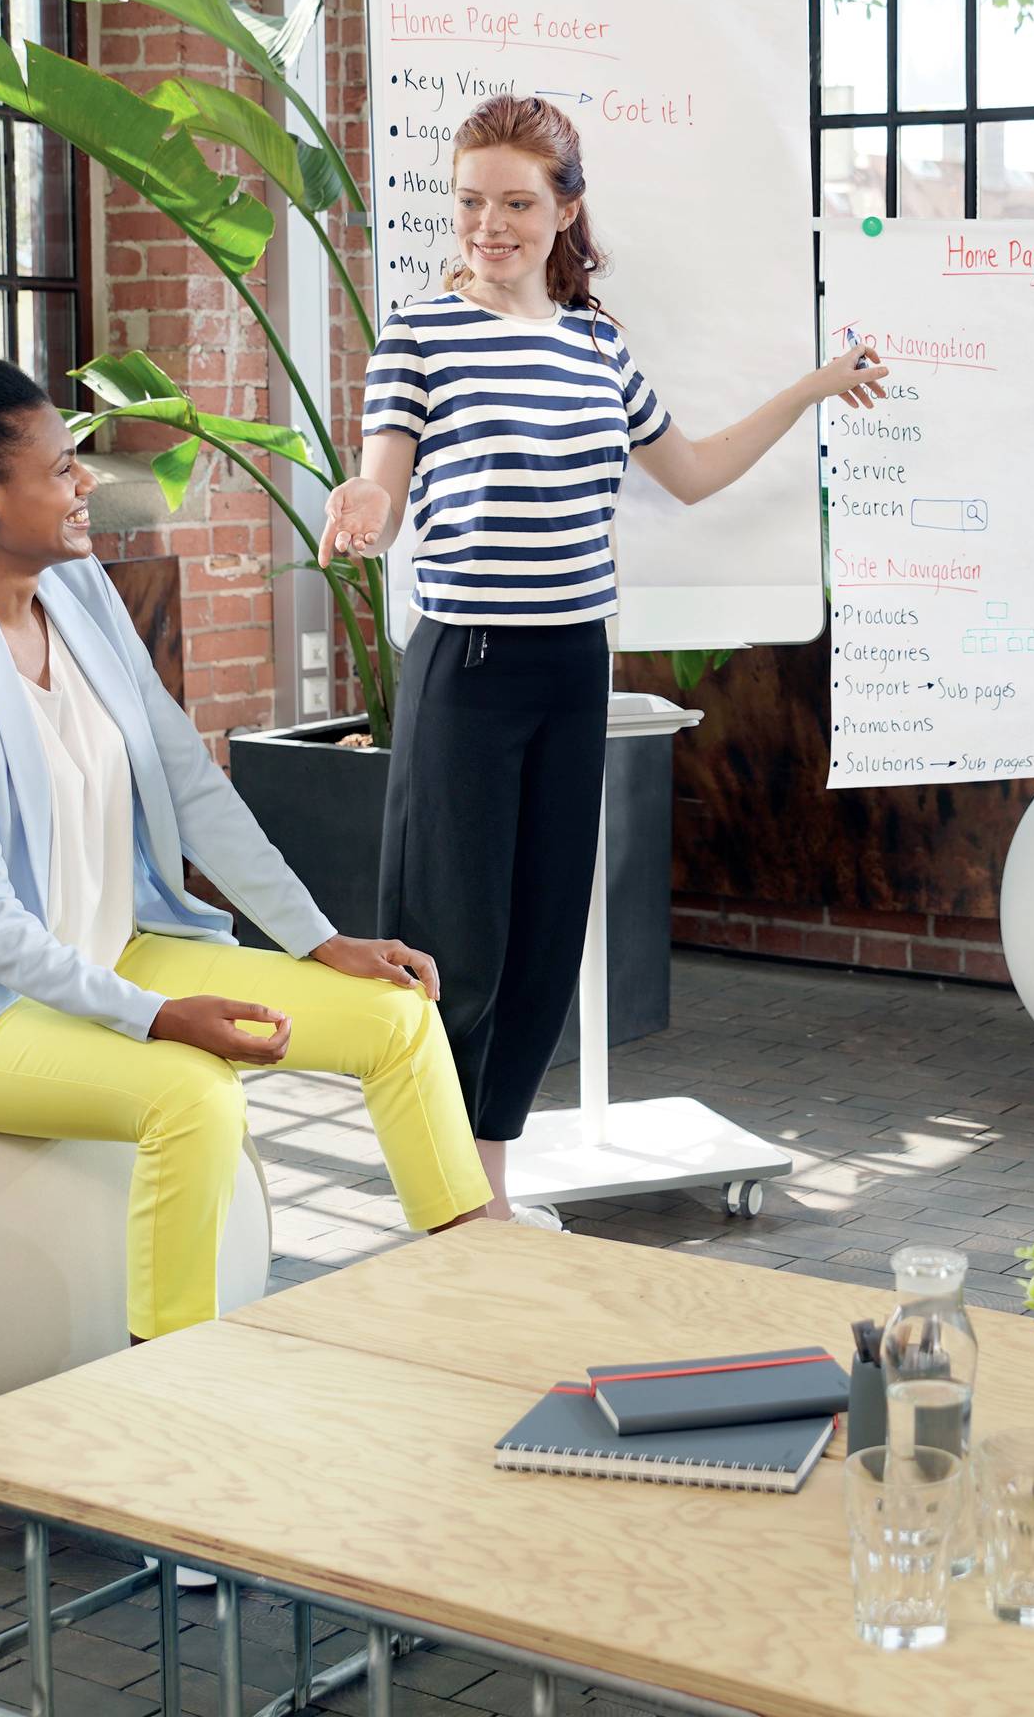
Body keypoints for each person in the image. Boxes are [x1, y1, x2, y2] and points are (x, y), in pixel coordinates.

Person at [0, 303, 500, 1354]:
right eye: (58, 465)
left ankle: (476, 1311)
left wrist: (320, 939)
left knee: (396, 1015)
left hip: (119, 950)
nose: (84, 478)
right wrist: (154, 1015)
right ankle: (168, 1399)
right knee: (191, 1094)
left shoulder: (77, 592)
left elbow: (187, 778)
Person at [322, 94, 889, 1227]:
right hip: (468, 669)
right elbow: (385, 473)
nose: (491, 224)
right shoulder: (420, 335)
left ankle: (483, 1187)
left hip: (574, 666)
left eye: (519, 202)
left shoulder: (596, 344)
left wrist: (814, 390)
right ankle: (435, 1185)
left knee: (538, 940)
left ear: (565, 207)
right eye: (472, 199)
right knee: (454, 936)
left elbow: (690, 471)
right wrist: (366, 502)